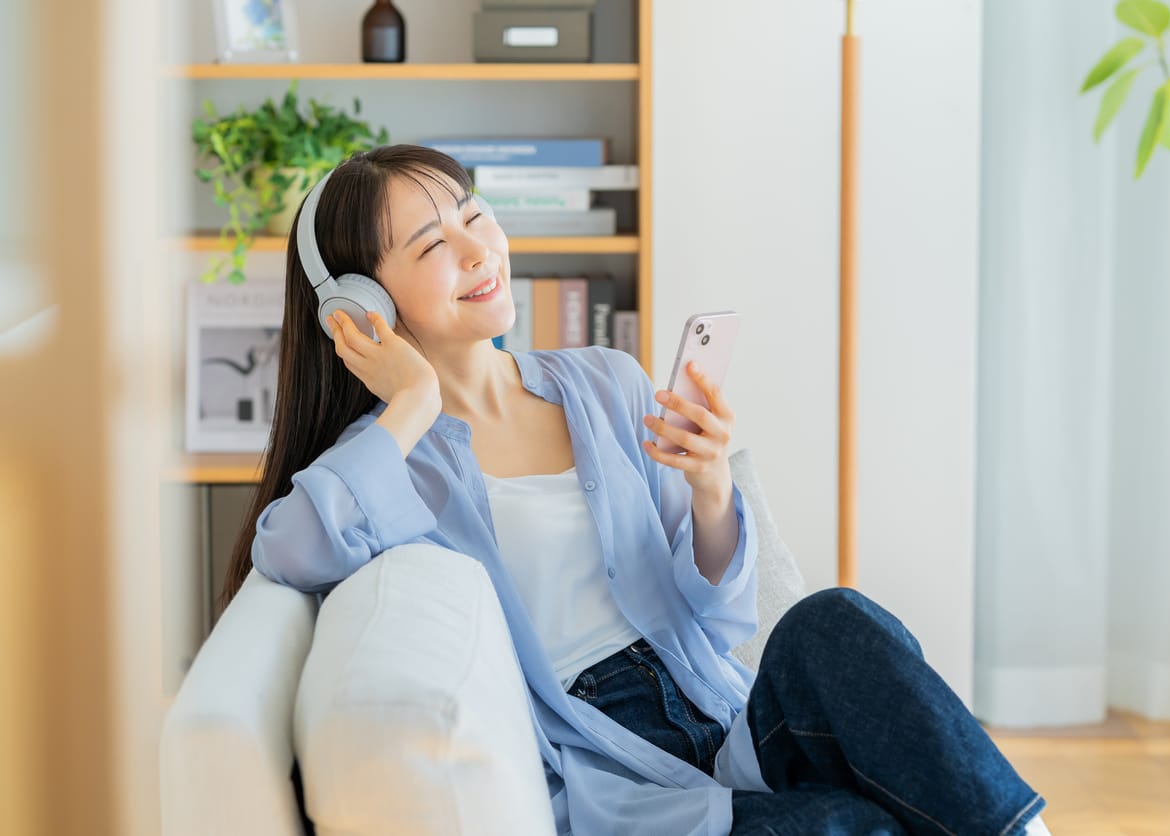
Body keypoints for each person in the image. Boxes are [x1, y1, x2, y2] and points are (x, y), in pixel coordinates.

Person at [222, 144, 1049, 835]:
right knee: (858, 824)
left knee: (834, 620)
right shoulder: (388, 456)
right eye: (432, 246)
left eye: (473, 216)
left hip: (723, 720)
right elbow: (287, 549)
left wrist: (711, 487)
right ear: (360, 305)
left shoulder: (605, 382)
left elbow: (721, 619)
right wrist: (410, 402)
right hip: (619, 782)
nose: (476, 250)